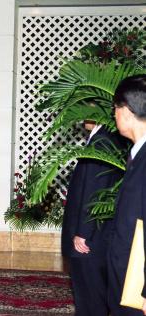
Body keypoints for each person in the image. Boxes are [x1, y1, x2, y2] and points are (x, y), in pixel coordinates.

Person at [61, 120, 126, 316]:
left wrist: (83, 232)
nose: (79, 118)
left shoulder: (102, 141)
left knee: (90, 300)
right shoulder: (106, 138)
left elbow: (95, 190)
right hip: (97, 235)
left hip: (90, 240)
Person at [107, 74, 146, 316]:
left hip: (138, 293)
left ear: (128, 111)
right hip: (127, 284)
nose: (114, 115)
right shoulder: (138, 155)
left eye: (116, 108)